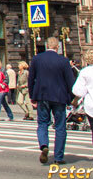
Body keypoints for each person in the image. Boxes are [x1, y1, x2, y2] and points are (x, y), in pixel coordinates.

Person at [28, 36, 74, 165]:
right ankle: (58, 157)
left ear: (47, 45)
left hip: (42, 96)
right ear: (57, 47)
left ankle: (44, 145)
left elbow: (31, 79)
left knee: (42, 123)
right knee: (60, 127)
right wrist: (71, 98)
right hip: (60, 97)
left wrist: (32, 96)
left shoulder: (37, 59)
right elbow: (70, 82)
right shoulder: (63, 61)